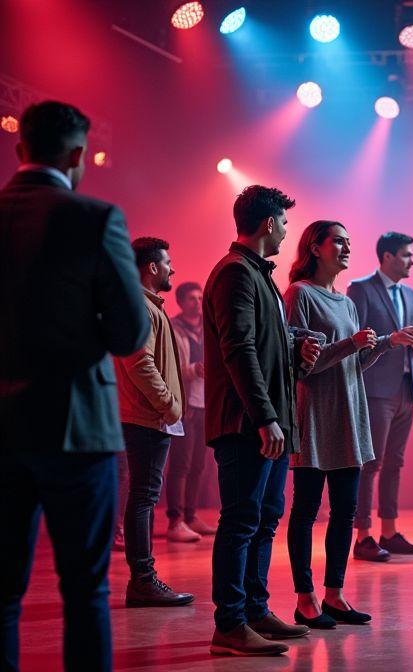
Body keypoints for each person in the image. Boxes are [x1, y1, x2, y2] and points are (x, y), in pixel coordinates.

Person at [0, 101, 149, 672]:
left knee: (4, 596)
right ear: (79, 154)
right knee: (85, 592)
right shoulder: (94, 216)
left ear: (20, 149)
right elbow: (130, 331)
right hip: (74, 426)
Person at [205, 185, 322, 656]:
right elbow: (239, 349)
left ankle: (254, 610)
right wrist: (266, 417)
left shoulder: (257, 274)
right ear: (270, 223)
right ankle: (230, 624)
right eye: (285, 223)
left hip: (266, 422)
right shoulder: (235, 272)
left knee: (264, 518)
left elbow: (263, 342)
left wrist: (295, 345)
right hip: (247, 424)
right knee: (241, 520)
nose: (287, 231)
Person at [284, 220, 389, 629]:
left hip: (349, 414)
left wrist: (376, 349)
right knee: (306, 509)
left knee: (345, 511)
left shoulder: (346, 302)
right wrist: (350, 344)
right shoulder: (299, 294)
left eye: (349, 242)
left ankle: (335, 595)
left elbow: (353, 364)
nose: (347, 248)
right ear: (315, 247)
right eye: (339, 242)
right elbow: (303, 365)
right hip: (315, 415)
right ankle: (304, 599)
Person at [112, 237, 194, 607]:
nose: (172, 269)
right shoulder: (140, 307)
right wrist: (169, 405)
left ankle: (143, 579)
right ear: (151, 267)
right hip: (147, 416)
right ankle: (143, 580)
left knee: (144, 495)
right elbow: (138, 362)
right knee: (143, 496)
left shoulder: (145, 305)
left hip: (150, 415)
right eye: (168, 262)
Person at [348, 232, 413, 561]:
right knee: (371, 463)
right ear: (387, 257)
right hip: (375, 388)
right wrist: (392, 339)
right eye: (406, 255)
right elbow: (354, 337)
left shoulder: (411, 294)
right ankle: (363, 536)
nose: (412, 260)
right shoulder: (361, 289)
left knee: (395, 463)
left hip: (406, 390)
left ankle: (389, 531)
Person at [166, 281, 217, 542]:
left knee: (199, 464)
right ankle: (175, 521)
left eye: (200, 298)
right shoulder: (173, 328)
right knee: (181, 464)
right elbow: (168, 366)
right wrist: (192, 370)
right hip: (184, 405)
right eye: (191, 299)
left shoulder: (209, 327)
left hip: (205, 403)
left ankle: (191, 516)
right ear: (181, 302)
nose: (197, 303)